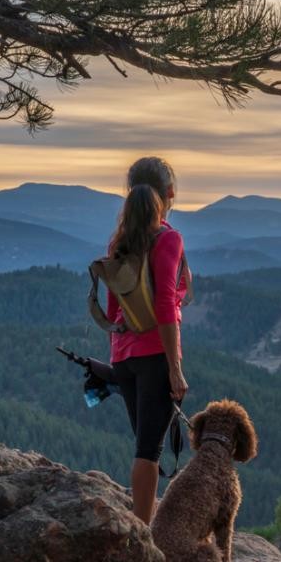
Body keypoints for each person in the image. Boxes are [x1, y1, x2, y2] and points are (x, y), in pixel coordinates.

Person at [106, 156, 190, 524]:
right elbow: (166, 306)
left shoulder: (120, 241)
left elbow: (112, 312)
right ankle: (143, 539)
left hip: (123, 358)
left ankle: (142, 528)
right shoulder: (168, 238)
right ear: (170, 193)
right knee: (149, 451)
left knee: (145, 444)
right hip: (155, 356)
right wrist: (175, 368)